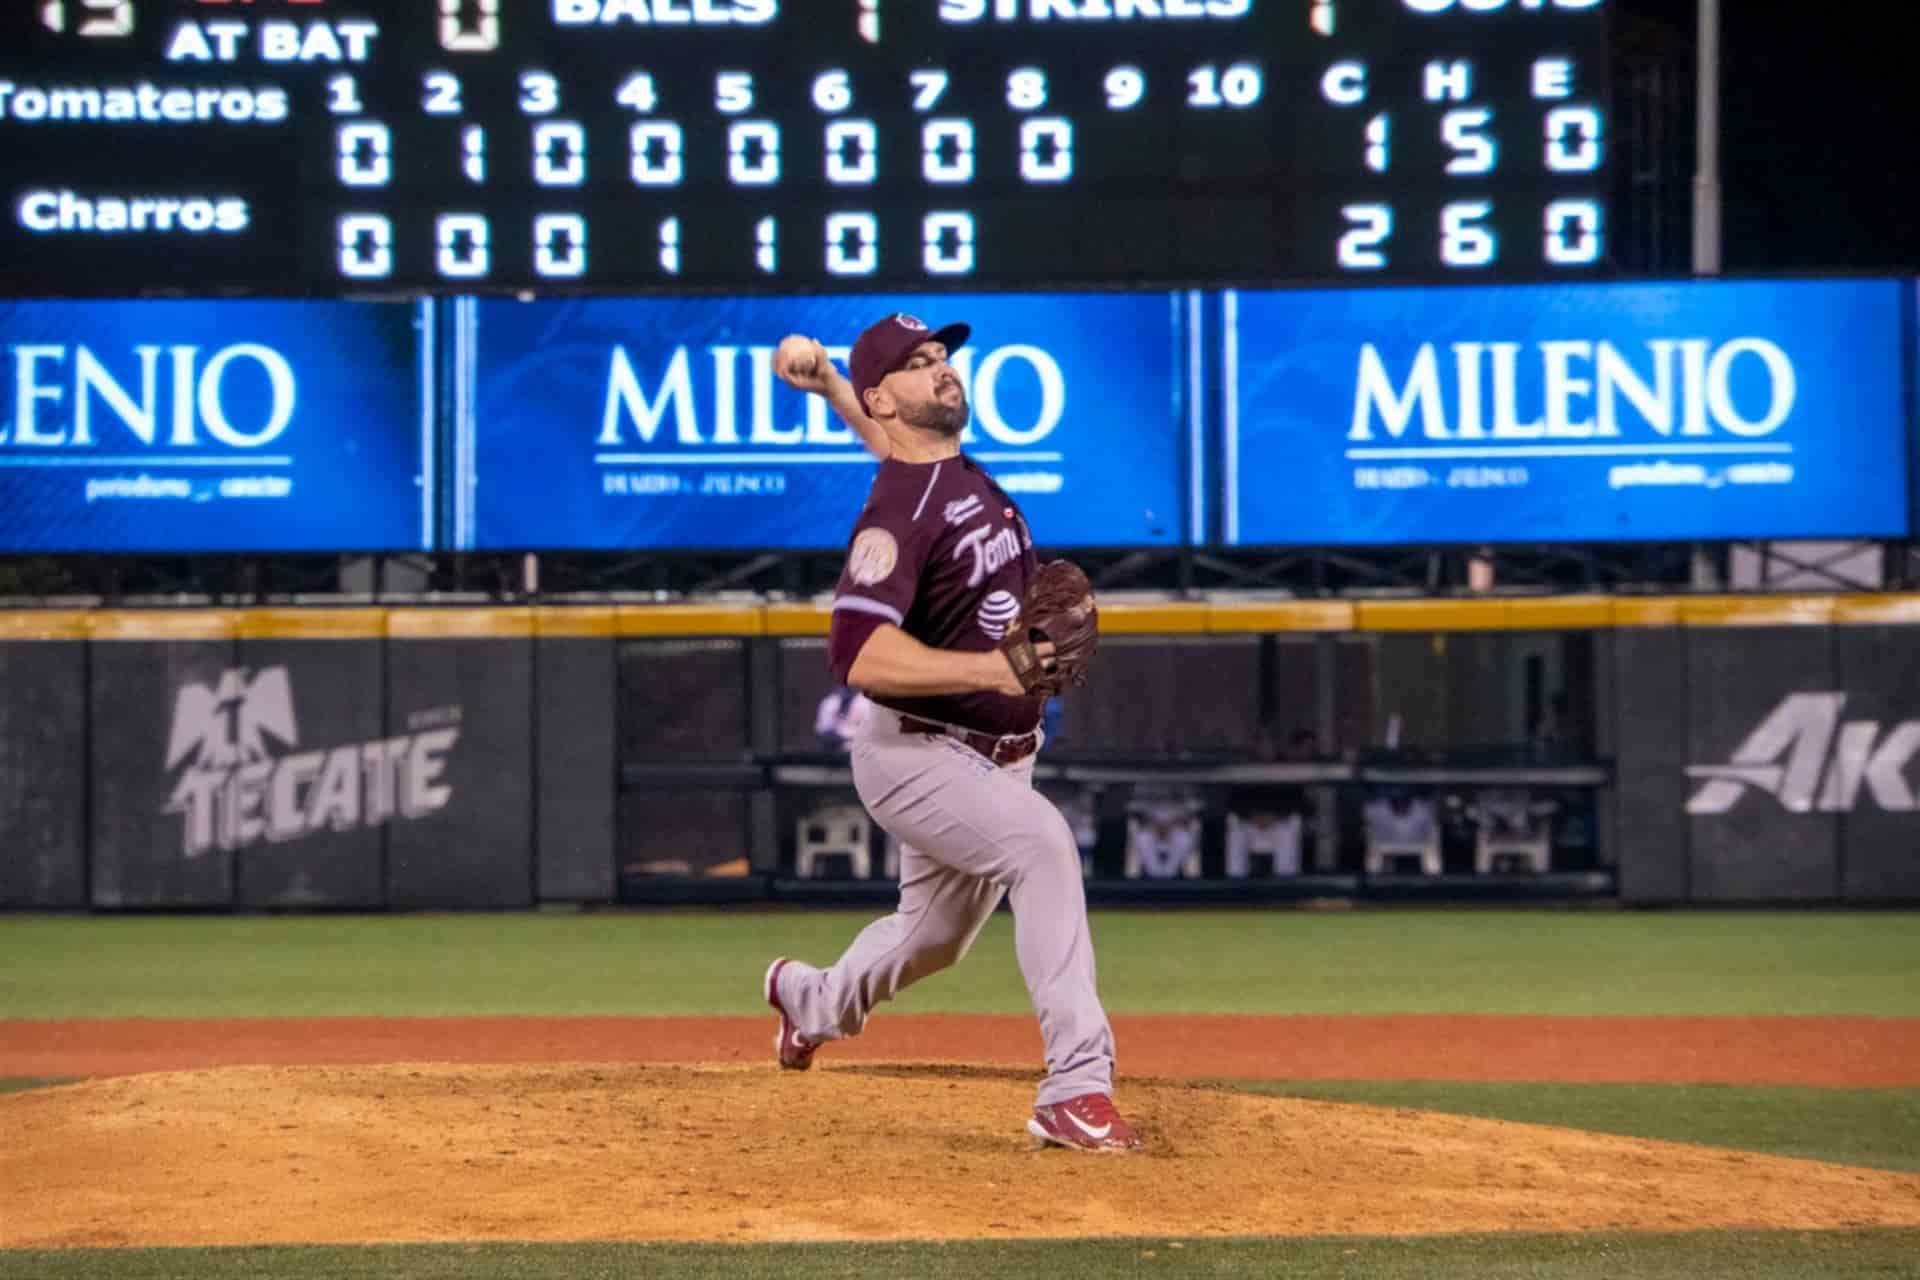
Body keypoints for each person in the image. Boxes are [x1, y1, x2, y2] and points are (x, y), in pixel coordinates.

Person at [759, 313, 1141, 1153]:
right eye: (917, 363)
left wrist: (829, 386)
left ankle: (808, 1001)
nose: (941, 370)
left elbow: (892, 448)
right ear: (884, 394)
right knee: (1042, 846)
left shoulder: (946, 474)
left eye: (941, 357)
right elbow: (858, 652)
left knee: (932, 940)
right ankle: (1076, 1086)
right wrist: (990, 672)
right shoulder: (895, 515)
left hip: (998, 757)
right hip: (917, 751)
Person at [812, 683, 871, 756]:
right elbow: (822, 728)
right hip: (833, 741)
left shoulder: (866, 703)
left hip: (857, 741)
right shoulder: (830, 702)